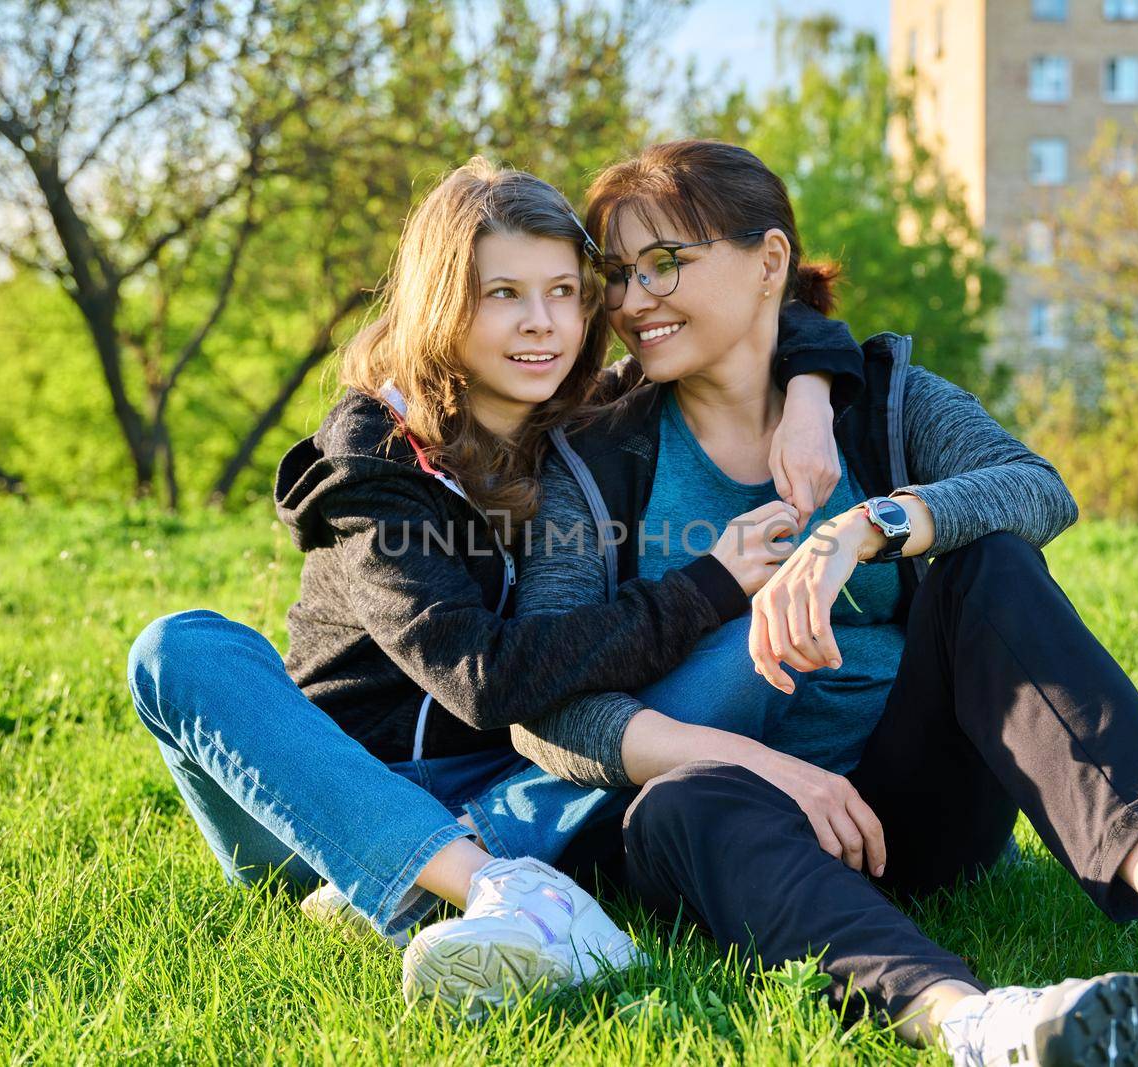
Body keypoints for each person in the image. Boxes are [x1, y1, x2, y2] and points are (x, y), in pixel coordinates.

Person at [509, 140, 1138, 1066]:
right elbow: (548, 708)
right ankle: (980, 1024)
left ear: (769, 261)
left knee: (992, 566)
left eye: (667, 264)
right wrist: (755, 763)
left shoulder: (881, 400)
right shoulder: (596, 459)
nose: (633, 301)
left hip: (916, 806)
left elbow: (1035, 486)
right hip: (734, 822)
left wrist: (864, 527)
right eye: (618, 275)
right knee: (675, 805)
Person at [125, 157, 861, 1017]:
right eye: (502, 293)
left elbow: (774, 315)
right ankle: (494, 887)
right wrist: (704, 585)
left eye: (563, 291)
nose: (541, 323)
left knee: (742, 650)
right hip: (328, 792)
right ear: (443, 303)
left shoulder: (585, 416)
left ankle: (422, 889)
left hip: (523, 781)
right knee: (180, 647)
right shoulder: (375, 450)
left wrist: (811, 396)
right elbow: (479, 679)